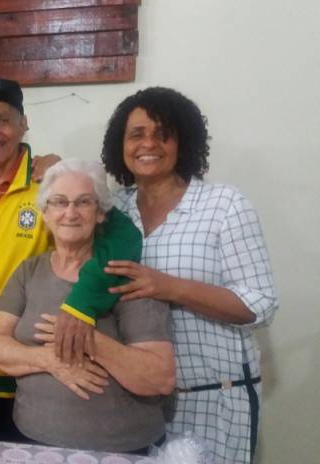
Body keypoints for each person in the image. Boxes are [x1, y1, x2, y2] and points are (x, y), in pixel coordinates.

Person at [0, 76, 143, 443]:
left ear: (23, 123)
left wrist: (83, 304)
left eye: (3, 119)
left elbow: (123, 237)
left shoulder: (53, 185)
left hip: (37, 373)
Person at [100, 87, 278, 463]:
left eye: (163, 132)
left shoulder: (224, 205)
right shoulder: (113, 209)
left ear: (184, 142)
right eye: (137, 133)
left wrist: (168, 287)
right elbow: (68, 206)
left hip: (216, 398)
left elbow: (260, 304)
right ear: (121, 144)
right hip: (135, 400)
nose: (149, 143)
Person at [0, 159, 175, 453]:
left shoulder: (125, 274)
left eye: (83, 202)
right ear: (45, 213)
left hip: (119, 450)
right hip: (30, 442)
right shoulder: (29, 271)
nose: (70, 213)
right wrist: (52, 359)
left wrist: (87, 340)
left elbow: (159, 378)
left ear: (100, 214)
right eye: (59, 202)